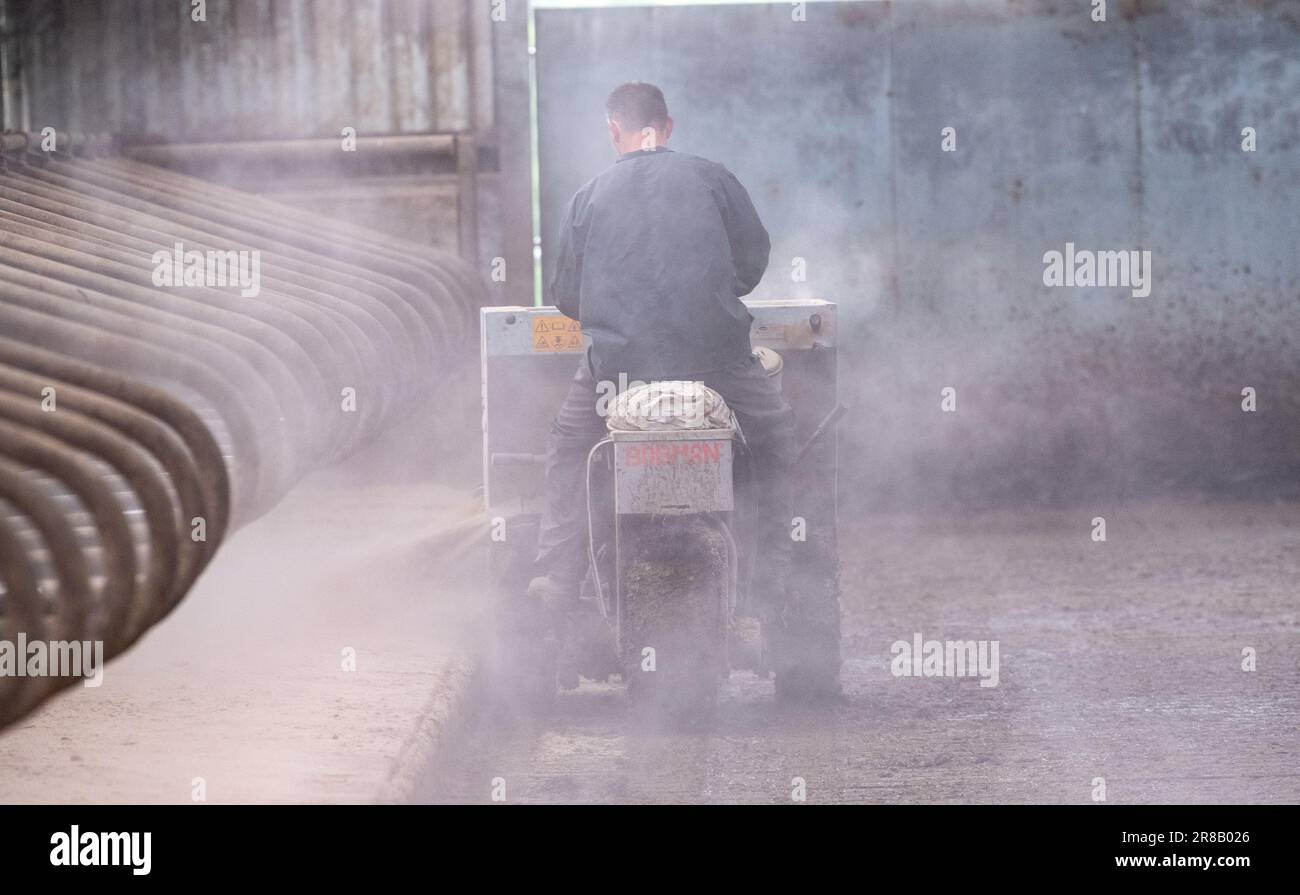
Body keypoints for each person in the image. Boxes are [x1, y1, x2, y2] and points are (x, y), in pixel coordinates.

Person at [528, 82, 797, 634]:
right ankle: (777, 579)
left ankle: (558, 580)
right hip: (718, 364)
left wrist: (621, 319)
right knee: (775, 440)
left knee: (570, 448)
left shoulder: (589, 195)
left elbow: (566, 297)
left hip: (617, 376)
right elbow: (751, 264)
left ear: (613, 131)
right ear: (667, 127)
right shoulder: (713, 177)